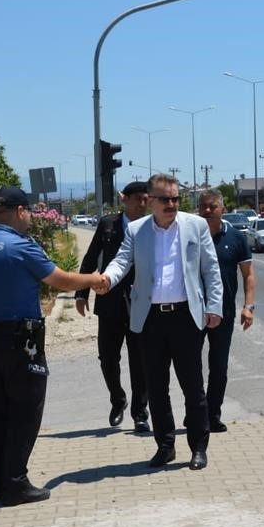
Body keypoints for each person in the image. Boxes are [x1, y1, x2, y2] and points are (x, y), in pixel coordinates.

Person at [0, 186, 106, 506]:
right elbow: (60, 280)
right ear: (19, 211)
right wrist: (93, 280)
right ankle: (15, 483)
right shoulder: (20, 246)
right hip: (20, 340)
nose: (29, 217)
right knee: (25, 411)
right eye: (28, 212)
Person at [99, 174, 223, 470]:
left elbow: (210, 269)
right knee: (156, 388)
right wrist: (106, 279)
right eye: (165, 199)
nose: (171, 204)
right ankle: (165, 446)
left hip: (186, 317)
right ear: (151, 201)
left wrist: (214, 306)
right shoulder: (137, 229)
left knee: (193, 386)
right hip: (150, 319)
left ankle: (198, 447)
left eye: (175, 199)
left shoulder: (196, 225)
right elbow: (122, 261)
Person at [75, 181, 150, 432]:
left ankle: (140, 412)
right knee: (107, 357)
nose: (142, 204)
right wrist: (81, 294)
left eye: (145, 199)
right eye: (137, 199)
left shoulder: (152, 227)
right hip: (109, 301)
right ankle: (117, 399)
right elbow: (91, 258)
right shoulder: (108, 224)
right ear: (124, 199)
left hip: (141, 302)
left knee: (140, 360)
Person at [196, 189, 256, 432]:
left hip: (224, 312)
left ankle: (213, 415)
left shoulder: (236, 238)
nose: (207, 210)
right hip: (192, 311)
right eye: (203, 206)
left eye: (212, 206)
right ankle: (196, 414)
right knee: (191, 367)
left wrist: (248, 307)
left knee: (219, 367)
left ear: (222, 209)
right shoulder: (190, 236)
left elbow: (248, 275)